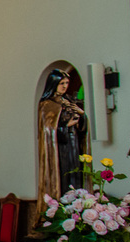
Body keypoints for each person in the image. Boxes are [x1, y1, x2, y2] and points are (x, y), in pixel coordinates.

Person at [37, 68, 90, 205]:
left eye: (67, 83)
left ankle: (77, 202)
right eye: (62, 83)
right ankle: (64, 204)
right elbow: (48, 129)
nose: (65, 86)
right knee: (64, 175)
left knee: (76, 173)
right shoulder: (47, 104)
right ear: (54, 84)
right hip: (60, 148)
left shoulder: (68, 102)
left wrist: (81, 115)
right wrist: (65, 125)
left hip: (74, 143)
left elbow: (82, 128)